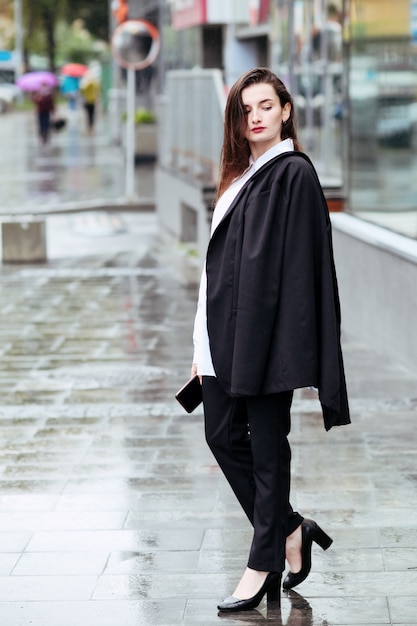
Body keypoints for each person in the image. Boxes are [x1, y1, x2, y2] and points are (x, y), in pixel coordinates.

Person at [191, 67, 350, 613]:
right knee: (221, 436)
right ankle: (289, 529)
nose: (254, 116)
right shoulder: (240, 175)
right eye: (245, 109)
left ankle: (262, 562)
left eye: (265, 105)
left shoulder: (292, 174)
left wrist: (287, 349)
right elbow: (216, 273)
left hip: (264, 341)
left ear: (285, 110)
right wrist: (198, 348)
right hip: (221, 338)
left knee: (265, 448)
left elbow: (301, 270)